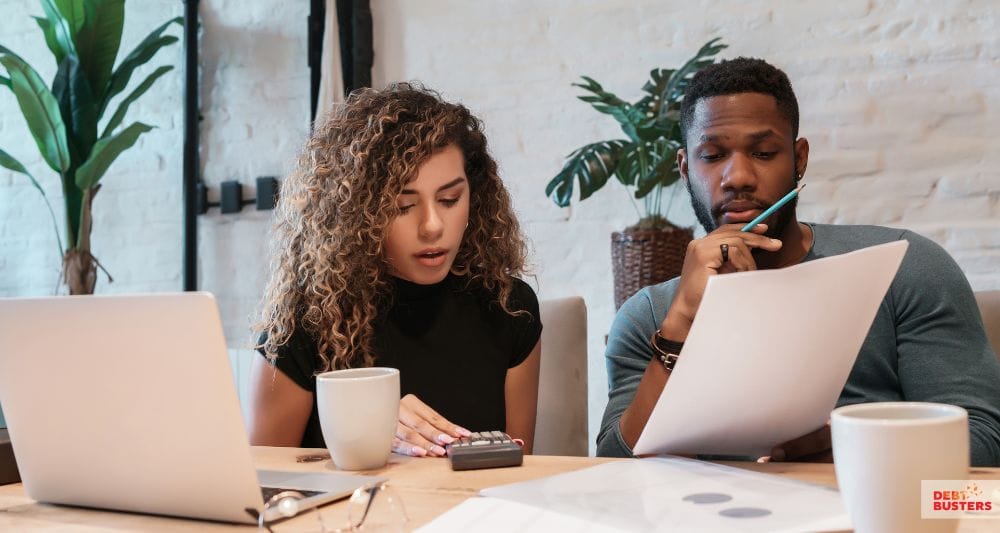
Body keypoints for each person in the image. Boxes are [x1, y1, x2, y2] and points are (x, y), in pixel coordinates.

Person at [596, 57, 1000, 466]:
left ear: (799, 158)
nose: (737, 176)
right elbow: (614, 466)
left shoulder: (906, 268)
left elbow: (984, 442)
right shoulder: (649, 316)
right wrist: (681, 319)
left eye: (764, 152)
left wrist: (855, 452)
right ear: (685, 168)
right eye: (713, 155)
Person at [249, 83, 542, 457]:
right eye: (403, 206)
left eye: (450, 199)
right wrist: (362, 429)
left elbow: (519, 469)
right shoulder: (305, 320)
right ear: (357, 214)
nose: (433, 225)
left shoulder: (508, 306)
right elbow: (264, 483)